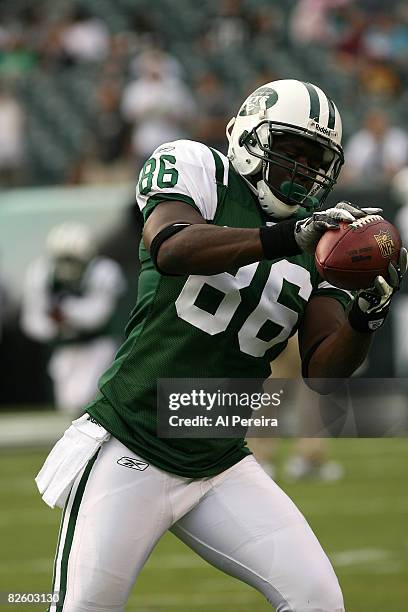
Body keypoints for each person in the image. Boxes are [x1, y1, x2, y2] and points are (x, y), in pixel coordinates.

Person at [36, 79, 406, 612]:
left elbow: (323, 371)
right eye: (291, 151)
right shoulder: (197, 168)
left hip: (219, 459)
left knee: (318, 600)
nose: (303, 170)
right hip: (133, 443)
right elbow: (170, 245)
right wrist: (287, 237)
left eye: (316, 159)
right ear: (251, 138)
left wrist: (366, 315)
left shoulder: (321, 241)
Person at [21, 221, 126, 417]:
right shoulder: (41, 273)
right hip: (65, 349)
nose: (68, 266)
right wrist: (55, 327)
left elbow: (97, 315)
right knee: (69, 407)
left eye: (73, 259)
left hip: (97, 346)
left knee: (88, 400)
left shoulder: (103, 271)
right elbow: (32, 322)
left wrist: (66, 310)